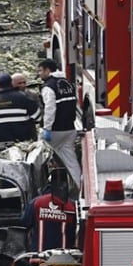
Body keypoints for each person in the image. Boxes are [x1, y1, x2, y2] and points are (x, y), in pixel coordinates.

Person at [38, 58, 81, 191]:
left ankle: (44, 187)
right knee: (71, 161)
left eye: (40, 70)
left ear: (47, 70)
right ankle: (80, 186)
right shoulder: (68, 83)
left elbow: (50, 109)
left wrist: (46, 129)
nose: (39, 74)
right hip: (70, 129)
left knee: (41, 154)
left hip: (55, 131)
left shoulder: (48, 87)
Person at [0, 72, 40, 143]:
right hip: (22, 143)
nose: (23, 85)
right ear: (11, 83)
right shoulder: (24, 97)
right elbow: (38, 117)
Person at [20, 183, 76, 251]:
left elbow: (24, 224)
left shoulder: (36, 202)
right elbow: (74, 231)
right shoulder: (71, 205)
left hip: (38, 255)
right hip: (63, 256)